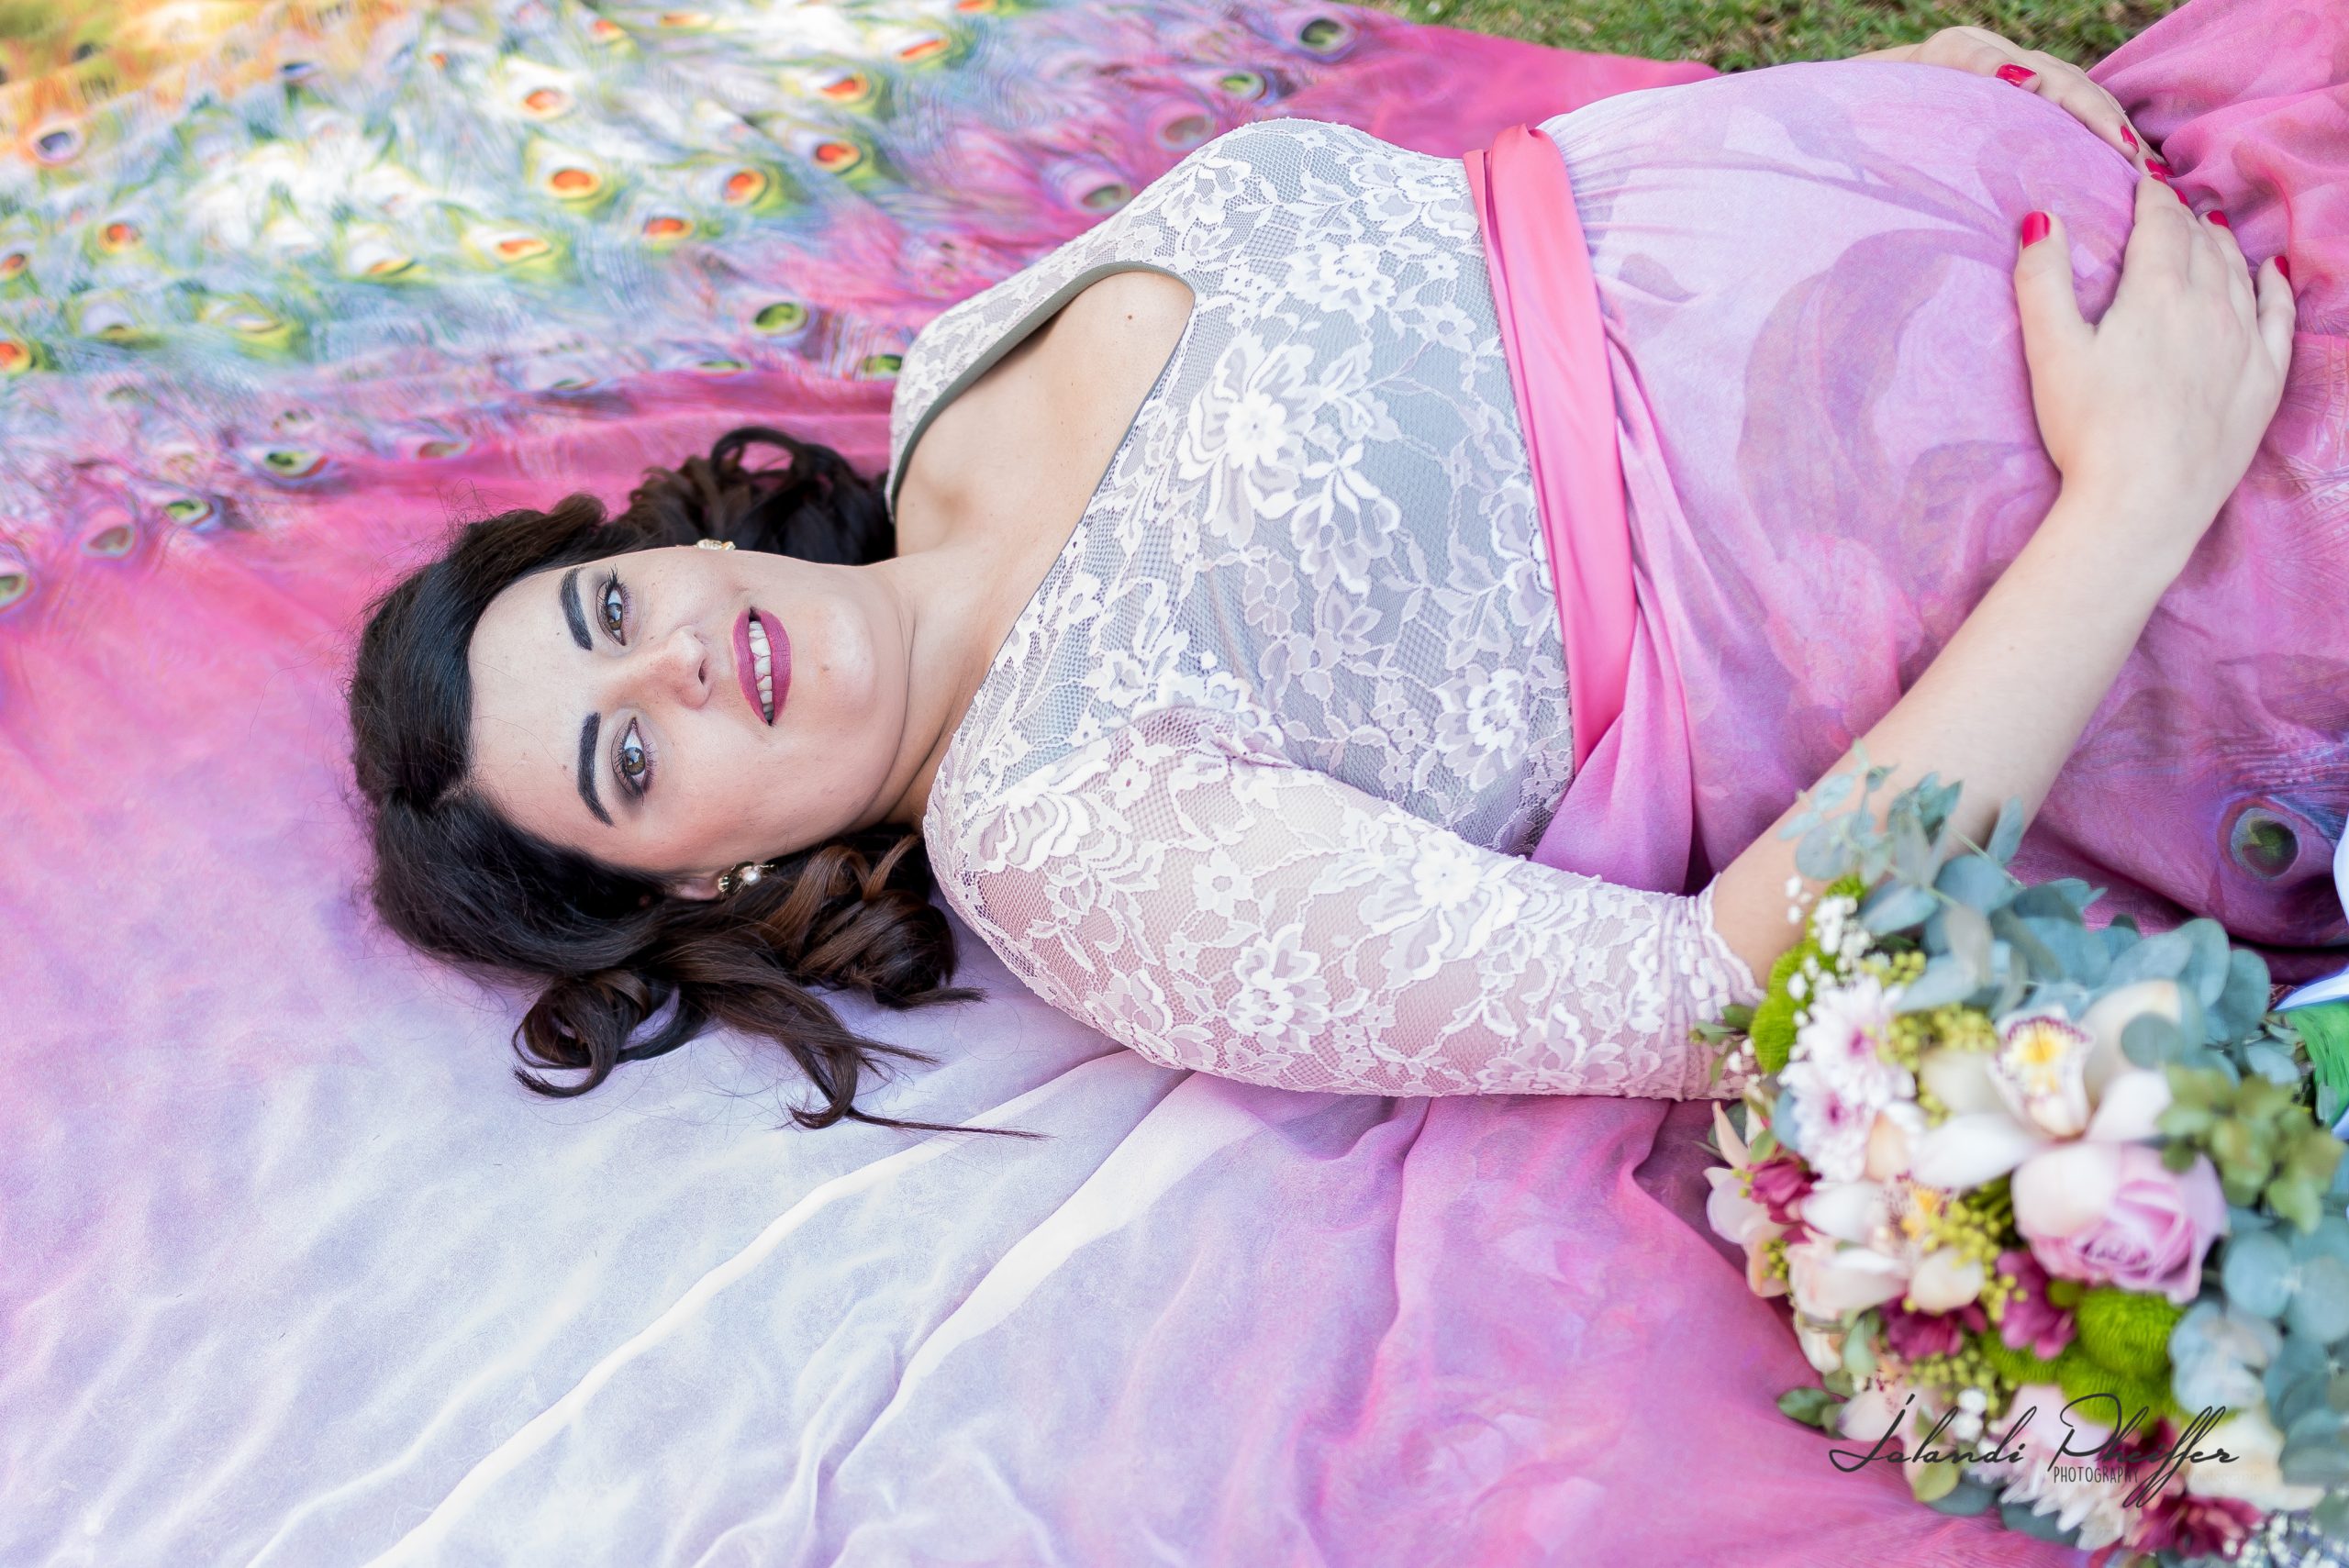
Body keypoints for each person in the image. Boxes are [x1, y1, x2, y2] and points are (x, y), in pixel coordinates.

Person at [347, 6, 2323, 1129]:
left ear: (663, 552)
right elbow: (1713, 995)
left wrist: (1882, 98)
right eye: (630, 756)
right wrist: (2134, 499)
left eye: (610, 613)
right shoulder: (1056, 845)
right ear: (702, 879)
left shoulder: (949, 376)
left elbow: (1451, 246)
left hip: (2101, 186)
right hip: (2149, 530)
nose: (676, 663)